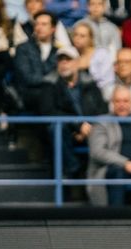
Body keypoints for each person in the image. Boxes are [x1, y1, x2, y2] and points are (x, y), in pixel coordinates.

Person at [40, 46, 108, 181]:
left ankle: (104, 176)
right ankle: (72, 167)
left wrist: (88, 127)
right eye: (61, 60)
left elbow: (102, 110)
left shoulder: (90, 83)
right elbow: (48, 112)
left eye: (68, 60)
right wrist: (78, 125)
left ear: (77, 63)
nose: (64, 64)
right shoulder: (49, 83)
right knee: (55, 128)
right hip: (68, 130)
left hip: (92, 128)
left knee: (108, 128)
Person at [71, 22, 115, 89]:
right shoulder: (70, 55)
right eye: (75, 35)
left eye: (82, 36)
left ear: (90, 39)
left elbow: (107, 80)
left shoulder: (102, 54)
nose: (78, 38)